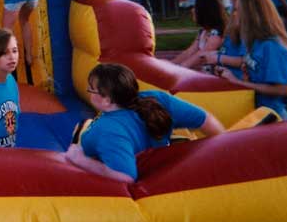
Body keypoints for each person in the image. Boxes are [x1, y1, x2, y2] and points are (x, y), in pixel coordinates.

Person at [64, 63, 225, 182]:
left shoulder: (107, 130)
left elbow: (125, 176)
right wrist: (226, 150)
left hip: (132, 170)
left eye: (91, 89)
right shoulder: (157, 99)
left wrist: (80, 160)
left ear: (106, 100)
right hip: (159, 161)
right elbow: (206, 120)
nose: (88, 92)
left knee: (81, 130)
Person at [212, 0, 287, 120]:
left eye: (237, 10)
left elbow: (282, 89)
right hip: (256, 113)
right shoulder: (254, 41)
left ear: (250, 15)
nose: (234, 14)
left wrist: (238, 82)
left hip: (272, 117)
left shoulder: (272, 46)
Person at [171, 0, 226, 71]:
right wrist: (171, 64)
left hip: (215, 78)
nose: (192, 10)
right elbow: (189, 52)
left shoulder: (216, 34)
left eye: (196, 8)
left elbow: (201, 55)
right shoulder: (203, 32)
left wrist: (179, 69)